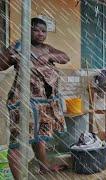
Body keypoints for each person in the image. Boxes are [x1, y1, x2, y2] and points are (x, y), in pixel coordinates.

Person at [0, 17, 70, 178]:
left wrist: (50, 57)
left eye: (43, 31)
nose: (40, 34)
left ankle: (44, 166)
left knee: (40, 136)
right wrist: (11, 53)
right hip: (24, 100)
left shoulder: (47, 48)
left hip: (45, 102)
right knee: (18, 141)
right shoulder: (19, 46)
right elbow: (1, 65)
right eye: (36, 30)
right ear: (28, 30)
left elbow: (66, 57)